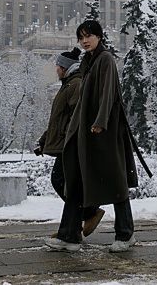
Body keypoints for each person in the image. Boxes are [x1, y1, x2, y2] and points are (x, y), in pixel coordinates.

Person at [45, 20, 139, 253]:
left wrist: (100, 121)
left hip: (103, 133)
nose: (85, 41)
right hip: (86, 133)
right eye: (81, 37)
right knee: (76, 182)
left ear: (99, 36)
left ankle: (125, 234)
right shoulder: (88, 61)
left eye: (89, 36)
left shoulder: (105, 59)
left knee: (116, 182)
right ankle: (69, 236)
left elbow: (108, 92)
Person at [34, 48, 104, 236]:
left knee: (61, 181)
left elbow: (77, 116)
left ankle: (88, 214)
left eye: (58, 66)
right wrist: (44, 141)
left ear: (65, 67)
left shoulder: (75, 85)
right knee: (66, 184)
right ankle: (74, 227)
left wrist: (67, 138)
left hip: (71, 145)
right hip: (66, 143)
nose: (56, 69)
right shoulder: (68, 85)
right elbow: (58, 120)